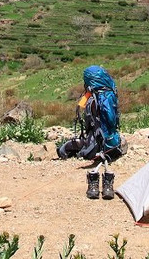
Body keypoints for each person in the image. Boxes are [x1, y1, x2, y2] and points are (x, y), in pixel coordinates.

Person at [57, 65, 125, 199]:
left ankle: (64, 152)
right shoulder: (109, 93)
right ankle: (106, 179)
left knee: (77, 147)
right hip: (111, 141)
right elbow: (111, 121)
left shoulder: (93, 97)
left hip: (98, 142)